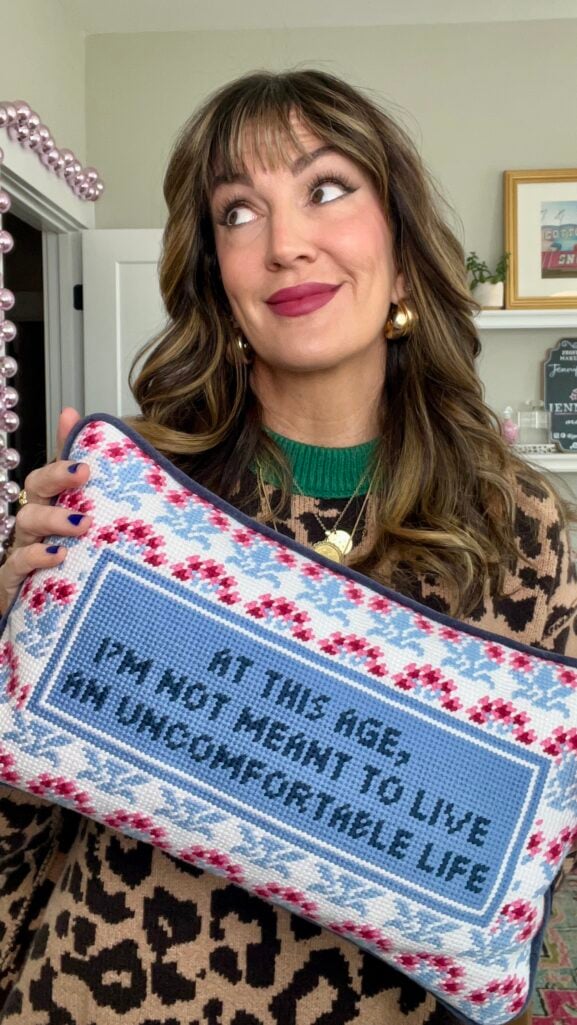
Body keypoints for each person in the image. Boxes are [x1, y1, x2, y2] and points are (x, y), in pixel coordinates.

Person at [0, 67, 574, 1025]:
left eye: (325, 188)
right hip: (97, 991)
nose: (284, 244)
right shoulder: (128, 488)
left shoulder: (512, 521)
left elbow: (523, 842)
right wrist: (9, 626)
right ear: (216, 279)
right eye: (238, 211)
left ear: (399, 246)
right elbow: (22, 807)